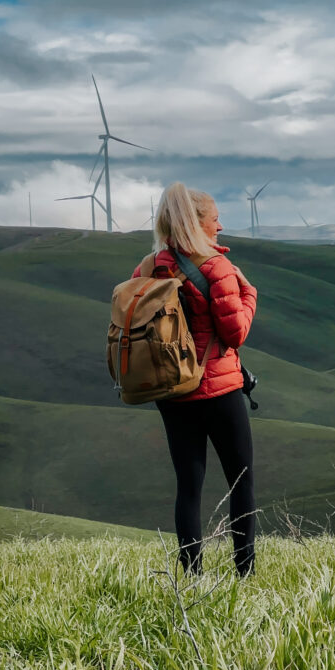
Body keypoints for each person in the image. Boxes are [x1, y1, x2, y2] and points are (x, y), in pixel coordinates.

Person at [132, 182, 258, 576]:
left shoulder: (149, 267)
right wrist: (249, 292)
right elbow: (235, 333)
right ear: (198, 223)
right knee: (242, 482)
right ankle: (245, 573)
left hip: (172, 392)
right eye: (215, 219)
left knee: (188, 487)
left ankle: (192, 575)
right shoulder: (217, 268)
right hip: (220, 390)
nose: (220, 227)